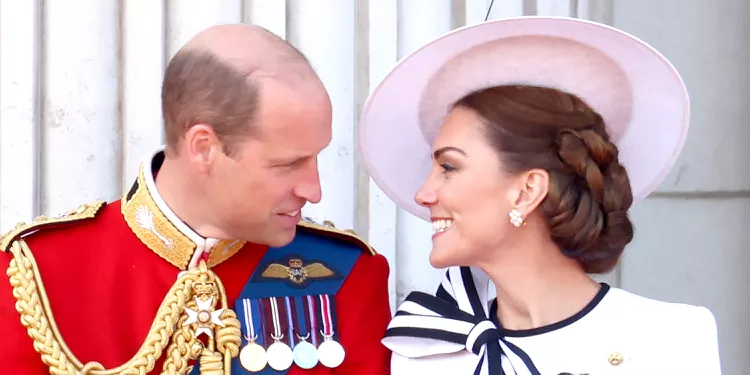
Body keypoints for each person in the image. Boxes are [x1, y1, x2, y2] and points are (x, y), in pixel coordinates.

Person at [0, 24, 392, 375]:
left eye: (317, 156)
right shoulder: (32, 275)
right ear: (203, 147)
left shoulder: (345, 275)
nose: (314, 189)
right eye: (287, 164)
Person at [357, 16, 721, 374]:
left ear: (527, 190)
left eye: (449, 167)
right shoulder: (423, 352)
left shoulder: (670, 339)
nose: (423, 194)